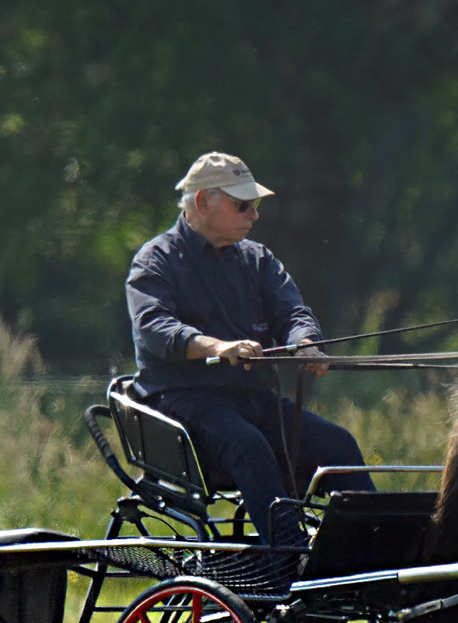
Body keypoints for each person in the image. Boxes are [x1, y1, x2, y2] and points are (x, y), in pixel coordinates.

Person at [124, 151, 374, 547]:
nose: (254, 215)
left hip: (255, 401)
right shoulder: (155, 261)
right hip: (185, 406)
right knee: (249, 446)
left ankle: (372, 551)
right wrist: (217, 347)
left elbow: (293, 312)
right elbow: (156, 328)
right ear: (203, 202)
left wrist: (305, 344)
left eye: (254, 205)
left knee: (338, 443)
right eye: (243, 205)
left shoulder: (257, 260)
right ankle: (289, 559)